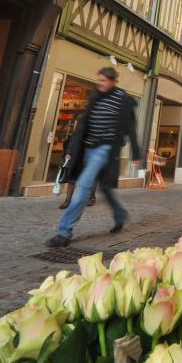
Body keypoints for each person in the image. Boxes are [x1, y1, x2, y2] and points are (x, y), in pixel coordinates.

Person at [46, 67, 143, 247]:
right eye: (98, 80)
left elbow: (130, 128)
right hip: (87, 149)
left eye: (103, 80)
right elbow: (83, 124)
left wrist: (136, 153)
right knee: (105, 188)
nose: (99, 83)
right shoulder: (95, 97)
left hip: (104, 149)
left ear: (113, 81)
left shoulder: (123, 101)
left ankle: (64, 232)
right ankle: (120, 215)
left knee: (82, 187)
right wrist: (72, 149)